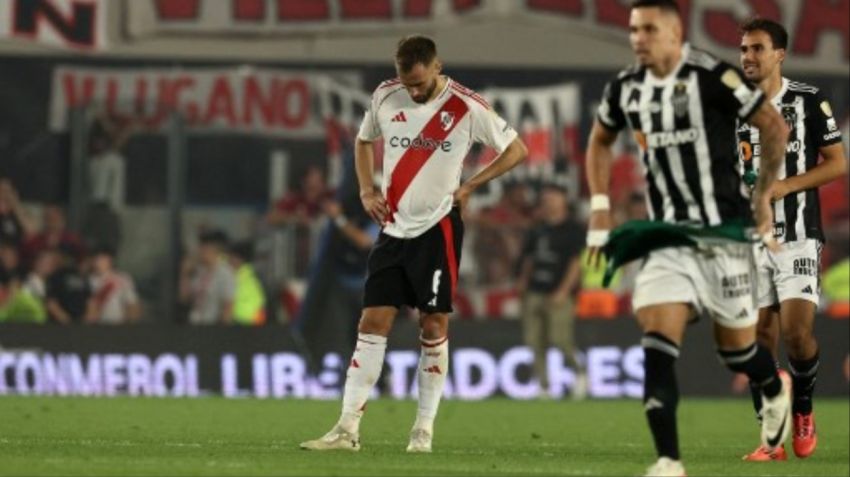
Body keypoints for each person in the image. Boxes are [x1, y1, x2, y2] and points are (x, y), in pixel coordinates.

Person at [585, 2, 792, 475]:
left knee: (736, 352)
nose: (638, 37)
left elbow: (773, 127)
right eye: (634, 29)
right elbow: (600, 139)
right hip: (669, 238)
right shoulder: (625, 87)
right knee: (657, 340)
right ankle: (668, 461)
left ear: (675, 32)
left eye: (649, 29)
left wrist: (762, 199)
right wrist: (600, 209)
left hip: (727, 235)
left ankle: (773, 385)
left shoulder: (712, 76)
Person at [300, 34, 527, 453]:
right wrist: (367, 190)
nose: (415, 91)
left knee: (433, 324)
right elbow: (363, 140)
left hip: (437, 229)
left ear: (437, 67)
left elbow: (516, 149)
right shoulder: (386, 95)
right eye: (408, 83)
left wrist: (472, 185)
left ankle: (423, 429)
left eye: (421, 83)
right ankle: (346, 429)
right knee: (370, 324)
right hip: (393, 230)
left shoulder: (465, 105)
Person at [736, 17, 847, 461]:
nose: (748, 57)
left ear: (779, 54)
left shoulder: (808, 101)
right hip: (750, 238)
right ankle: (771, 439)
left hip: (799, 234)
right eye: (744, 49)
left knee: (797, 335)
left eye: (757, 48)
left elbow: (837, 164)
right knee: (758, 340)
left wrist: (785, 186)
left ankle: (802, 409)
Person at [516, 185, 586, 399]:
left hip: (559, 292)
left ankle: (580, 372)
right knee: (534, 341)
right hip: (535, 291)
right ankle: (544, 386)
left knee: (559, 339)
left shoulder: (573, 229)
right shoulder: (536, 229)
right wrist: (523, 282)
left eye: (553, 197)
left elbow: (576, 262)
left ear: (564, 200)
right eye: (545, 199)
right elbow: (529, 258)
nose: (548, 202)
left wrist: (564, 290)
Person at [179, 230, 235, 325]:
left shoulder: (225, 273)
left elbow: (228, 306)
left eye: (204, 248)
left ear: (214, 250)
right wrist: (184, 274)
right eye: (200, 247)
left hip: (213, 325)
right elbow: (183, 298)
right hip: (194, 322)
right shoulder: (199, 270)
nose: (200, 251)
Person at [88, 246, 141, 324]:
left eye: (103, 259)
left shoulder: (123, 278)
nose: (98, 262)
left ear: (111, 260)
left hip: (119, 325)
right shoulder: (89, 280)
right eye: (96, 259)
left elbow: (132, 304)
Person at [226, 241, 266, 326]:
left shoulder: (241, 277)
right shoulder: (252, 274)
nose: (229, 260)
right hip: (250, 321)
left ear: (239, 259)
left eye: (232, 257)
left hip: (244, 322)